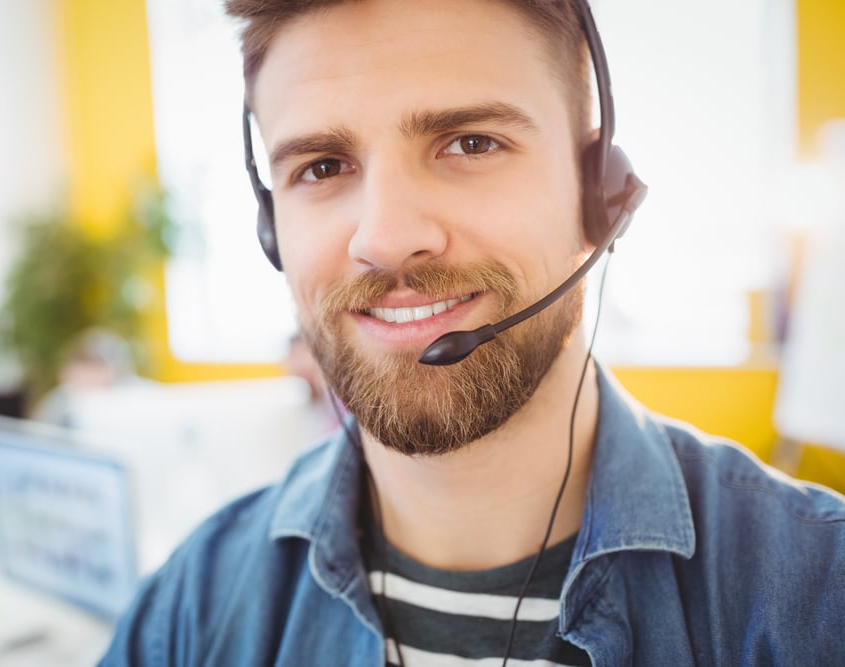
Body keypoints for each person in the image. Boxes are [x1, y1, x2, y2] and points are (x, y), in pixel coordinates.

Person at [100, 0, 845, 664]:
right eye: (323, 165)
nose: (386, 238)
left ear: (598, 196)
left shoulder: (818, 595)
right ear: (272, 227)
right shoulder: (193, 605)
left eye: (470, 143)